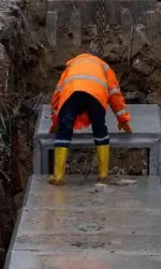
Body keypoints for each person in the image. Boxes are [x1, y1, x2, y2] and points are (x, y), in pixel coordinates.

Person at [47, 52, 133, 185]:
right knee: (99, 128)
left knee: (64, 132)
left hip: (71, 94)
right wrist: (123, 120)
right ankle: (103, 174)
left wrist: (56, 122)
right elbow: (115, 95)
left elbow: (57, 94)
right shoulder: (103, 66)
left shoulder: (72, 65)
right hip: (96, 95)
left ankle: (58, 177)